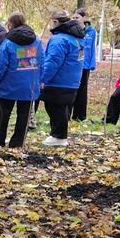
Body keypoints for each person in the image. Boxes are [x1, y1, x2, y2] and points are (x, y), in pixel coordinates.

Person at [0, 13, 42, 147]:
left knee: (1, 114)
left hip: (8, 85)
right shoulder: (37, 42)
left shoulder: (8, 43)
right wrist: (39, 81)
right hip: (29, 85)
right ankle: (17, 143)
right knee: (24, 116)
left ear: (10, 24)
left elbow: (0, 67)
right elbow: (42, 62)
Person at [40, 10, 85, 146]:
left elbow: (52, 62)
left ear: (55, 22)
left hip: (59, 81)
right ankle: (57, 134)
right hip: (72, 80)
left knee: (54, 107)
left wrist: (42, 79)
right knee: (62, 109)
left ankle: (59, 136)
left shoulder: (59, 39)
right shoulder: (77, 39)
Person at [71, 8, 97, 121]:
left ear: (83, 18)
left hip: (85, 64)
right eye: (73, 18)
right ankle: (68, 114)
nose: (75, 20)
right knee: (72, 89)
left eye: (77, 17)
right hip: (74, 63)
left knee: (82, 90)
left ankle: (80, 116)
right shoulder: (71, 30)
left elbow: (91, 48)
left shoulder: (91, 31)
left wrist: (92, 64)